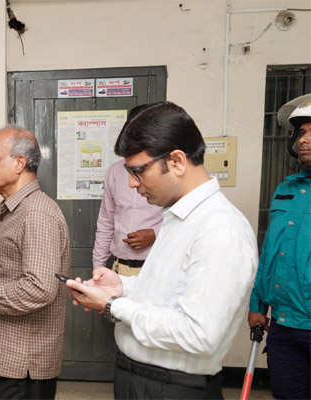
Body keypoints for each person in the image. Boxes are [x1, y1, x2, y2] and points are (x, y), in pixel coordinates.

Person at [65, 102, 258, 399]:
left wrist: (113, 305)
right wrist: (123, 286)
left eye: (138, 171)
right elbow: (169, 293)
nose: (131, 183)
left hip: (171, 389)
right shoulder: (177, 218)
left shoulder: (220, 230)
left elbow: (198, 335)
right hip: (143, 381)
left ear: (177, 161)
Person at [0, 126, 71, 400]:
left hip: (20, 365)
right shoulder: (19, 208)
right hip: (9, 359)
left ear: (19, 163)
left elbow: (39, 288)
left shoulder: (36, 214)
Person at [248, 99, 310, 400]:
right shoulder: (285, 189)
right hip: (283, 326)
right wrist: (258, 303)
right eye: (301, 133)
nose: (305, 139)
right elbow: (271, 250)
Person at [92, 159, 162, 276]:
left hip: (157, 269)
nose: (132, 182)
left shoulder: (165, 168)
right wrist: (98, 269)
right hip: (121, 270)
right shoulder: (115, 171)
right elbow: (106, 223)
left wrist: (156, 234)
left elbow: (184, 221)